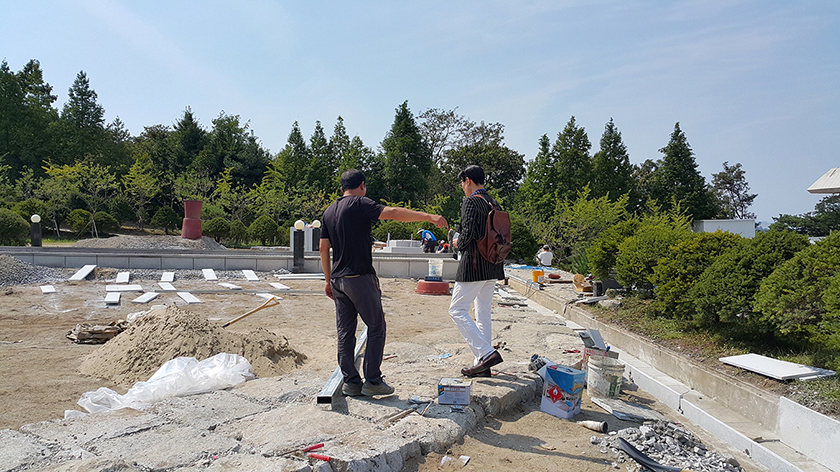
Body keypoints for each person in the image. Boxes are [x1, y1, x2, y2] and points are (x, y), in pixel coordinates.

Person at [320, 169, 448, 397]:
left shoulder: (329, 211)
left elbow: (323, 247)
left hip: (338, 280)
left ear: (341, 188)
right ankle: (373, 381)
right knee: (376, 326)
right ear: (362, 185)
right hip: (359, 277)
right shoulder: (360, 203)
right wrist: (429, 217)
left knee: (345, 332)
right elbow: (394, 213)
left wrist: (328, 280)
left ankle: (351, 382)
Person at [448, 165, 506, 378]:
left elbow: (468, 233)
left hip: (473, 265)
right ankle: (482, 364)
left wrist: (457, 242)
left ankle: (486, 353)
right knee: (482, 313)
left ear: (468, 180)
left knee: (457, 309)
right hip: (493, 263)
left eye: (462, 183)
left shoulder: (471, 201)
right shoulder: (493, 202)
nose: (462, 187)